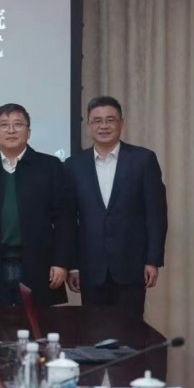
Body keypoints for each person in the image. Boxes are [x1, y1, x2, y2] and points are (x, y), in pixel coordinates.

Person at [0, 103, 74, 306]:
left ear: (29, 132)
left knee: (37, 323)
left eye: (18, 124)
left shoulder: (50, 167)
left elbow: (65, 219)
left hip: (38, 265)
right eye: (4, 125)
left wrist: (61, 262)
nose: (11, 130)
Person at [65, 96, 168, 317]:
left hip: (131, 265)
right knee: (93, 330)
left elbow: (156, 214)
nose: (103, 126)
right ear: (89, 125)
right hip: (90, 267)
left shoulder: (143, 160)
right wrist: (73, 265)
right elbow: (69, 220)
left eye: (110, 120)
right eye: (97, 121)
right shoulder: (74, 165)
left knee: (130, 330)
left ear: (121, 123)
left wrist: (153, 260)